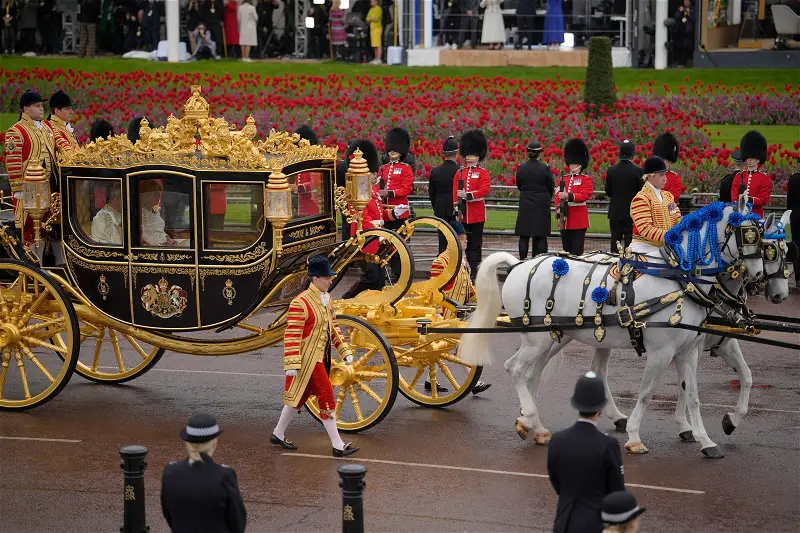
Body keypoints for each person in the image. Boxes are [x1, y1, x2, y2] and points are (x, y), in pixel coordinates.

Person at [270, 255, 360, 457]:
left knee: (299, 398)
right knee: (326, 396)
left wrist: (344, 350)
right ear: (315, 279)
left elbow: (333, 328)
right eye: (327, 278)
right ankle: (337, 445)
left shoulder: (326, 300)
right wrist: (292, 363)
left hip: (321, 358)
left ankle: (278, 432)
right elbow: (292, 335)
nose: (330, 280)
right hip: (306, 360)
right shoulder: (300, 303)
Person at [547, 371, 625, 533]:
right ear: (601, 408)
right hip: (594, 525)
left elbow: (557, 481)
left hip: (563, 523)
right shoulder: (608, 444)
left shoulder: (557, 440)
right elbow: (617, 491)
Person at [429, 220, 491, 395]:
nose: (466, 242)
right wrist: (437, 314)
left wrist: (481, 300)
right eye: (463, 239)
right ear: (454, 240)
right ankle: (474, 381)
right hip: (444, 313)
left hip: (457, 312)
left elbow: (467, 286)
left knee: (450, 348)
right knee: (454, 346)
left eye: (465, 239)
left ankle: (432, 380)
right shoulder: (442, 261)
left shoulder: (462, 260)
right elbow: (434, 291)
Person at [161, 413, 247, 533]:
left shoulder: (170, 472)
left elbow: (168, 513)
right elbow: (237, 521)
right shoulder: (224, 475)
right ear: (214, 443)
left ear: (187, 442)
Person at [5, 90, 60, 265]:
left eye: (41, 105)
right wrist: (19, 193)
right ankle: (34, 268)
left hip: (49, 187)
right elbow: (13, 164)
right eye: (37, 106)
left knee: (47, 228)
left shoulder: (46, 127)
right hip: (29, 190)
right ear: (26, 109)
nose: (41, 109)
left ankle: (45, 266)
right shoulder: (16, 131)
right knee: (30, 231)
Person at [377, 127, 414, 281]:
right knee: (388, 243)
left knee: (401, 243)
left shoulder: (406, 169)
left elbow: (407, 188)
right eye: (390, 150)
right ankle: (393, 270)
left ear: (401, 152)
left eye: (395, 150)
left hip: (400, 211)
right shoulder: (382, 169)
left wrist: (389, 193)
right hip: (386, 211)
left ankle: (402, 272)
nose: (392, 152)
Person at [453, 129, 490, 278]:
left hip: (476, 214)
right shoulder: (459, 172)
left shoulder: (483, 173)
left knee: (475, 245)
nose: (469, 158)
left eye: (472, 155)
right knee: (463, 245)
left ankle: (475, 272)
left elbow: (484, 190)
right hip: (463, 215)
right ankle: (464, 271)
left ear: (478, 156)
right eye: (467, 155)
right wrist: (456, 206)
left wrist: (468, 195)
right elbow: (454, 193)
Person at [630, 156, 682, 255]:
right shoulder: (641, 198)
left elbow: (676, 217)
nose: (665, 179)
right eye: (661, 175)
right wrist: (669, 235)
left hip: (665, 247)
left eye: (665, 175)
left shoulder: (668, 197)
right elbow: (645, 228)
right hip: (644, 247)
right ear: (650, 176)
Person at [515, 141, 554, 259]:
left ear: (527, 153)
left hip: (526, 203)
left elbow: (519, 185)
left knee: (524, 235)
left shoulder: (521, 168)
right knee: (540, 236)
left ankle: (522, 260)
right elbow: (550, 186)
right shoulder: (545, 169)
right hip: (541, 204)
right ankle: (538, 261)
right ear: (539, 154)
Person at [554, 138, 593, 256]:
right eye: (571, 163)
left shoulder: (586, 179)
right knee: (566, 251)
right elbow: (557, 198)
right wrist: (558, 213)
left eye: (574, 164)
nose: (571, 166)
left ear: (580, 164)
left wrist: (568, 196)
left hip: (578, 219)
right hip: (564, 219)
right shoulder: (563, 179)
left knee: (577, 252)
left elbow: (584, 195)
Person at [604, 140, 643, 253]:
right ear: (632, 154)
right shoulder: (638, 171)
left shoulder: (612, 170)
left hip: (615, 211)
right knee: (629, 242)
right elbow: (640, 191)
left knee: (615, 241)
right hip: (631, 212)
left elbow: (608, 191)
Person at [730, 130, 772, 218]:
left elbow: (763, 199)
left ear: (759, 158)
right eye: (747, 156)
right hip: (739, 216)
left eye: (752, 157)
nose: (749, 159)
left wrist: (749, 199)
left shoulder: (764, 179)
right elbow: (733, 198)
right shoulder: (738, 177)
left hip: (756, 216)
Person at [429, 136, 460, 253]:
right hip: (455, 208)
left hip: (440, 209)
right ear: (456, 154)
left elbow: (431, 193)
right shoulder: (459, 170)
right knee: (455, 240)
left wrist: (436, 207)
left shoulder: (435, 171)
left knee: (442, 241)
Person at [139, 179, 180, 246]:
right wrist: (161, 245)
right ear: (146, 196)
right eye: (156, 194)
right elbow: (144, 237)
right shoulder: (141, 214)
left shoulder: (155, 210)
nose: (159, 197)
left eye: (159, 194)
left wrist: (168, 239)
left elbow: (159, 231)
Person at [294, 125, 322, 217]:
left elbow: (315, 182)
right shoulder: (300, 161)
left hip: (311, 204)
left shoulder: (313, 161)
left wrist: (300, 188)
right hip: (300, 203)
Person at [652, 132, 685, 201]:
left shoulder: (675, 179)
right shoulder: (648, 175)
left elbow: (672, 199)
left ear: (670, 161)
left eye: (665, 160)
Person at [787, 157, 799, 289]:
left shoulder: (793, 179)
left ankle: (798, 278)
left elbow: (789, 202)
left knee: (798, 246)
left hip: (796, 217)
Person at [672, 0, 695, 67]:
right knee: (679, 47)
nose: (686, 2)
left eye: (687, 1)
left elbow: (695, 19)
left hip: (689, 33)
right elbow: (675, 18)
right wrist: (679, 12)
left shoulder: (693, 9)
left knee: (688, 47)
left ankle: (688, 62)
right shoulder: (680, 8)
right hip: (680, 32)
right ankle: (680, 62)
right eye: (685, 1)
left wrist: (689, 13)